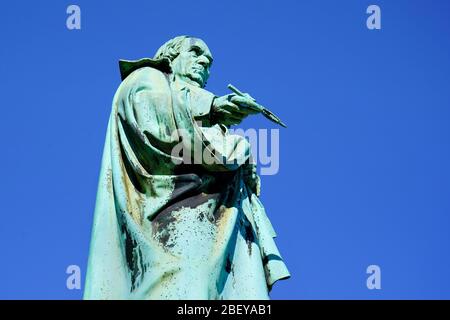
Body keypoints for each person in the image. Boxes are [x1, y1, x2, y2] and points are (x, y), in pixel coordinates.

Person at [84, 35, 290, 299]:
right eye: (195, 52)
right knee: (182, 286)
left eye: (209, 61)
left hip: (217, 225)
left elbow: (213, 152)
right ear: (171, 57)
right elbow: (154, 115)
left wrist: (243, 167)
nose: (204, 62)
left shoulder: (197, 110)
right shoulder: (147, 79)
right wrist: (214, 107)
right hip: (173, 222)